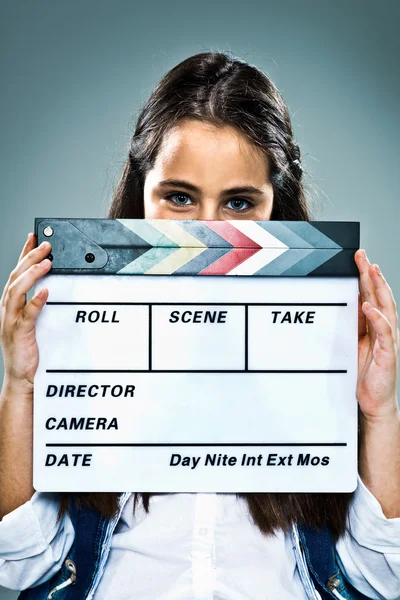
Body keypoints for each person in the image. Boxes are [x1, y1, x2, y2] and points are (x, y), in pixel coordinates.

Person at [0, 51, 399, 600]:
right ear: (142, 195)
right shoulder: (79, 340)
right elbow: (17, 567)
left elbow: (384, 577)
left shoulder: (324, 347)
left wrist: (378, 412)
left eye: (238, 202)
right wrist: (21, 385)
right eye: (180, 198)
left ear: (274, 209)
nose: (208, 236)